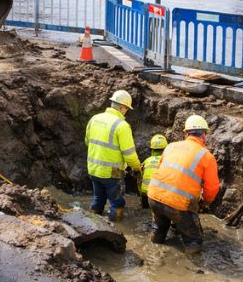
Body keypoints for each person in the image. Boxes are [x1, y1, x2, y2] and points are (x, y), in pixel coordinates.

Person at [147, 115, 221, 254]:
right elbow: (212, 188)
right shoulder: (206, 156)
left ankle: (154, 246)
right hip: (179, 205)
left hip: (154, 197)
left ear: (186, 133)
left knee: (159, 228)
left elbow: (162, 170)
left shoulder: (170, 146)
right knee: (194, 240)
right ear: (204, 135)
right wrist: (205, 202)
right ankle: (188, 271)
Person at [85, 90, 141, 221]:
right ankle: (117, 228)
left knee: (98, 198)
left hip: (93, 169)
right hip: (112, 173)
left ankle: (92, 224)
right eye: (127, 108)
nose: (126, 111)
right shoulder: (122, 126)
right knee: (117, 202)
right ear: (122, 107)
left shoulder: (94, 119)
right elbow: (129, 154)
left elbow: (87, 141)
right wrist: (137, 168)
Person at [139, 134, 168, 209]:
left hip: (145, 194)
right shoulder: (167, 162)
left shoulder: (146, 161)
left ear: (152, 149)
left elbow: (140, 178)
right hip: (159, 195)